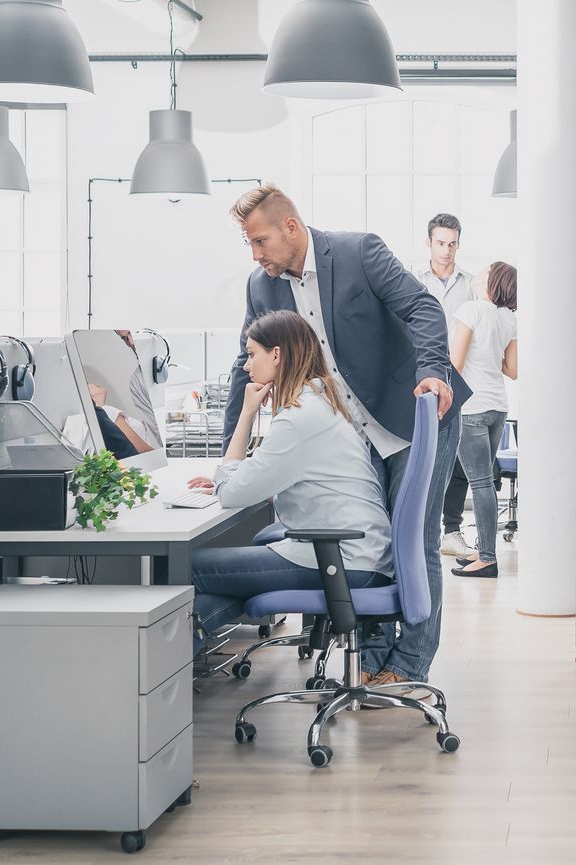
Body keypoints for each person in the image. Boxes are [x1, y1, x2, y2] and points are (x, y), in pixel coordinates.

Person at [226, 183, 470, 688]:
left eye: (260, 240)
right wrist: (232, 451)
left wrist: (434, 371)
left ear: (290, 227)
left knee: (416, 541)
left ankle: (409, 663)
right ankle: (373, 656)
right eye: (249, 244)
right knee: (373, 544)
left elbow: (423, 308)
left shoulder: (359, 252)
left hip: (413, 416)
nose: (256, 254)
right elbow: (243, 367)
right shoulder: (261, 286)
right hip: (352, 436)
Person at [188, 310, 392, 645]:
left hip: (343, 561)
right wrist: (240, 478)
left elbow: (232, 494)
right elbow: (277, 477)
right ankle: (188, 646)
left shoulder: (300, 417)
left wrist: (246, 412)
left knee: (187, 567)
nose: (245, 366)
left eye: (252, 354)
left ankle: (178, 655)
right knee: (235, 567)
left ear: (277, 354)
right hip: (359, 553)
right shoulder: (323, 400)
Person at [412, 214, 479, 561]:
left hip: (463, 381)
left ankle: (451, 530)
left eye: (452, 243)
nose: (446, 250)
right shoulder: (413, 280)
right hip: (425, 379)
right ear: (429, 242)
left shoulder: (470, 285)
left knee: (457, 460)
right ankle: (419, 528)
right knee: (420, 454)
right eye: (440, 242)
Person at [447, 262, 519, 579]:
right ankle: (482, 551)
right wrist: (489, 354)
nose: (480, 271)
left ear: (492, 281)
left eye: (487, 270)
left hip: (472, 408)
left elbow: (455, 365)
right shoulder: (508, 318)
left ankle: (487, 558)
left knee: (480, 484)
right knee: (484, 483)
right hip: (497, 407)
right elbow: (512, 369)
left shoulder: (470, 309)